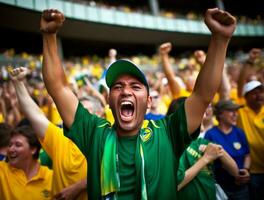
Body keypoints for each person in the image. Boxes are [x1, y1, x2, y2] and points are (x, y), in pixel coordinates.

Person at [40, 7, 236, 199]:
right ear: (108, 100)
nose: (126, 91)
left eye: (135, 87)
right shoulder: (93, 133)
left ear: (149, 101)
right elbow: (58, 88)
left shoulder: (167, 133)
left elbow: (202, 96)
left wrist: (220, 40)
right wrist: (49, 37)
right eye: (117, 87)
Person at [8, 66, 88, 200]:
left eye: (86, 111)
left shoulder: (106, 139)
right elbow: (36, 115)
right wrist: (18, 84)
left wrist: (79, 186)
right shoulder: (61, 140)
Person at [167, 97, 238, 200]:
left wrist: (220, 152)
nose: (204, 115)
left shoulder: (202, 142)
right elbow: (176, 185)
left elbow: (235, 171)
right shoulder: (173, 144)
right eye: (200, 112)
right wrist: (206, 158)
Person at [205, 99, 251, 199]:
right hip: (221, 187)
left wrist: (246, 170)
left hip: (241, 187)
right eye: (231, 111)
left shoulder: (239, 132)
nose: (235, 114)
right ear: (220, 114)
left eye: (236, 111)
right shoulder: (211, 134)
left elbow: (247, 155)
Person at [0, 125, 53, 200]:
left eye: (18, 145)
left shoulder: (50, 177)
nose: (11, 149)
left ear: (33, 149)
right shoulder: (2, 170)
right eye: (10, 145)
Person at [236, 80, 264, 200]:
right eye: (254, 93)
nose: (259, 95)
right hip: (252, 171)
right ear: (245, 97)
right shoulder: (239, 112)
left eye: (261, 92)